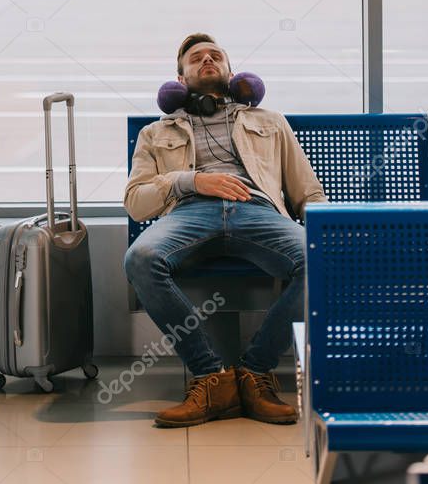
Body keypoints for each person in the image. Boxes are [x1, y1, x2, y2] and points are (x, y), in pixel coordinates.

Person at [123, 33, 326, 429]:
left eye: (216, 56)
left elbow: (307, 192)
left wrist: (334, 233)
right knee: (142, 258)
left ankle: (255, 374)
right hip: (190, 212)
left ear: (233, 73)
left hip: (257, 210)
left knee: (321, 260)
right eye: (196, 58)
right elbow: (136, 201)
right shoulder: (155, 133)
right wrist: (192, 182)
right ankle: (212, 378)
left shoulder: (269, 121)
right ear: (179, 79)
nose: (207, 61)